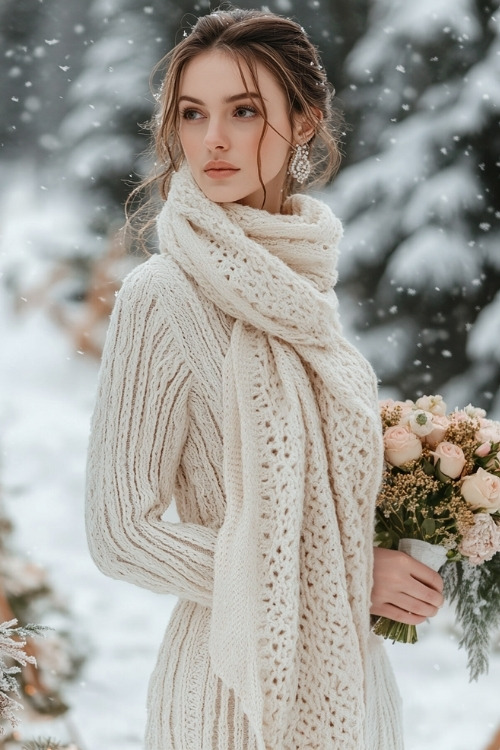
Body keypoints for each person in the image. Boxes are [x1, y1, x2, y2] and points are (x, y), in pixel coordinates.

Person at [85, 7, 444, 749]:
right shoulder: (163, 297)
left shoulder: (304, 285)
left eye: (243, 110)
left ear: (303, 123)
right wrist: (340, 574)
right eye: (193, 113)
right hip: (227, 698)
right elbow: (121, 532)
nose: (212, 138)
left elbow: (317, 499)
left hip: (355, 691)